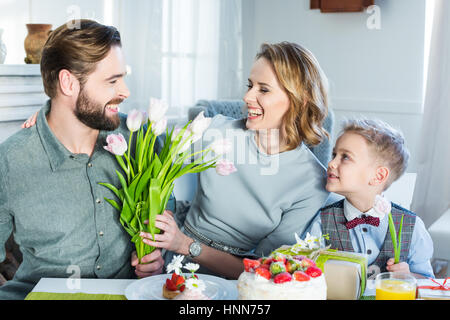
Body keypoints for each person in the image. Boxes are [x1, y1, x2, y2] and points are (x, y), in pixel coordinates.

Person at [0, 20, 171, 300]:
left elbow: (164, 218)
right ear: (68, 83)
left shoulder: (140, 140)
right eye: (112, 81)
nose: (125, 91)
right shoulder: (11, 160)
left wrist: (155, 256)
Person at [140, 42, 331, 279]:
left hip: (239, 281)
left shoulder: (312, 183)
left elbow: (265, 271)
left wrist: (186, 244)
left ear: (299, 100)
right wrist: (155, 236)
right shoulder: (216, 131)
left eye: (263, 89)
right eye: (250, 86)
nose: (247, 96)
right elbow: (156, 171)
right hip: (175, 265)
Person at [304, 118, 434, 279]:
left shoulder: (411, 226)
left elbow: (429, 282)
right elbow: (307, 275)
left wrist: (408, 275)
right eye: (334, 154)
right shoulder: (322, 222)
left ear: (378, 176)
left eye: (345, 157)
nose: (331, 163)